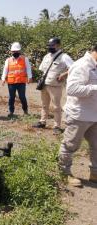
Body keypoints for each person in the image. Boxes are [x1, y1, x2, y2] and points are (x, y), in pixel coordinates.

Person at [58, 45, 97, 187]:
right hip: (79, 115)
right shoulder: (82, 65)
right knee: (70, 145)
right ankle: (65, 173)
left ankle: (94, 173)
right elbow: (72, 89)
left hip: (94, 115)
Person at [33, 37, 74, 135]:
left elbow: (74, 68)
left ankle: (57, 126)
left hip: (56, 86)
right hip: (45, 84)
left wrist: (63, 75)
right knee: (44, 104)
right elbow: (42, 69)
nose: (50, 47)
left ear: (58, 45)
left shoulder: (64, 57)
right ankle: (42, 122)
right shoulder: (47, 56)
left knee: (56, 107)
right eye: (49, 45)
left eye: (52, 45)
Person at [2, 42, 32, 118]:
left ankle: (25, 111)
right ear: (12, 52)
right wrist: (3, 78)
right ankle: (11, 112)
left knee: (22, 97)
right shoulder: (8, 60)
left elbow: (28, 68)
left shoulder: (25, 59)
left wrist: (30, 77)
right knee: (11, 97)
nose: (15, 53)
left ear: (19, 51)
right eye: (14, 51)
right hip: (11, 82)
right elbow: (5, 70)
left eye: (17, 51)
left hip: (21, 82)